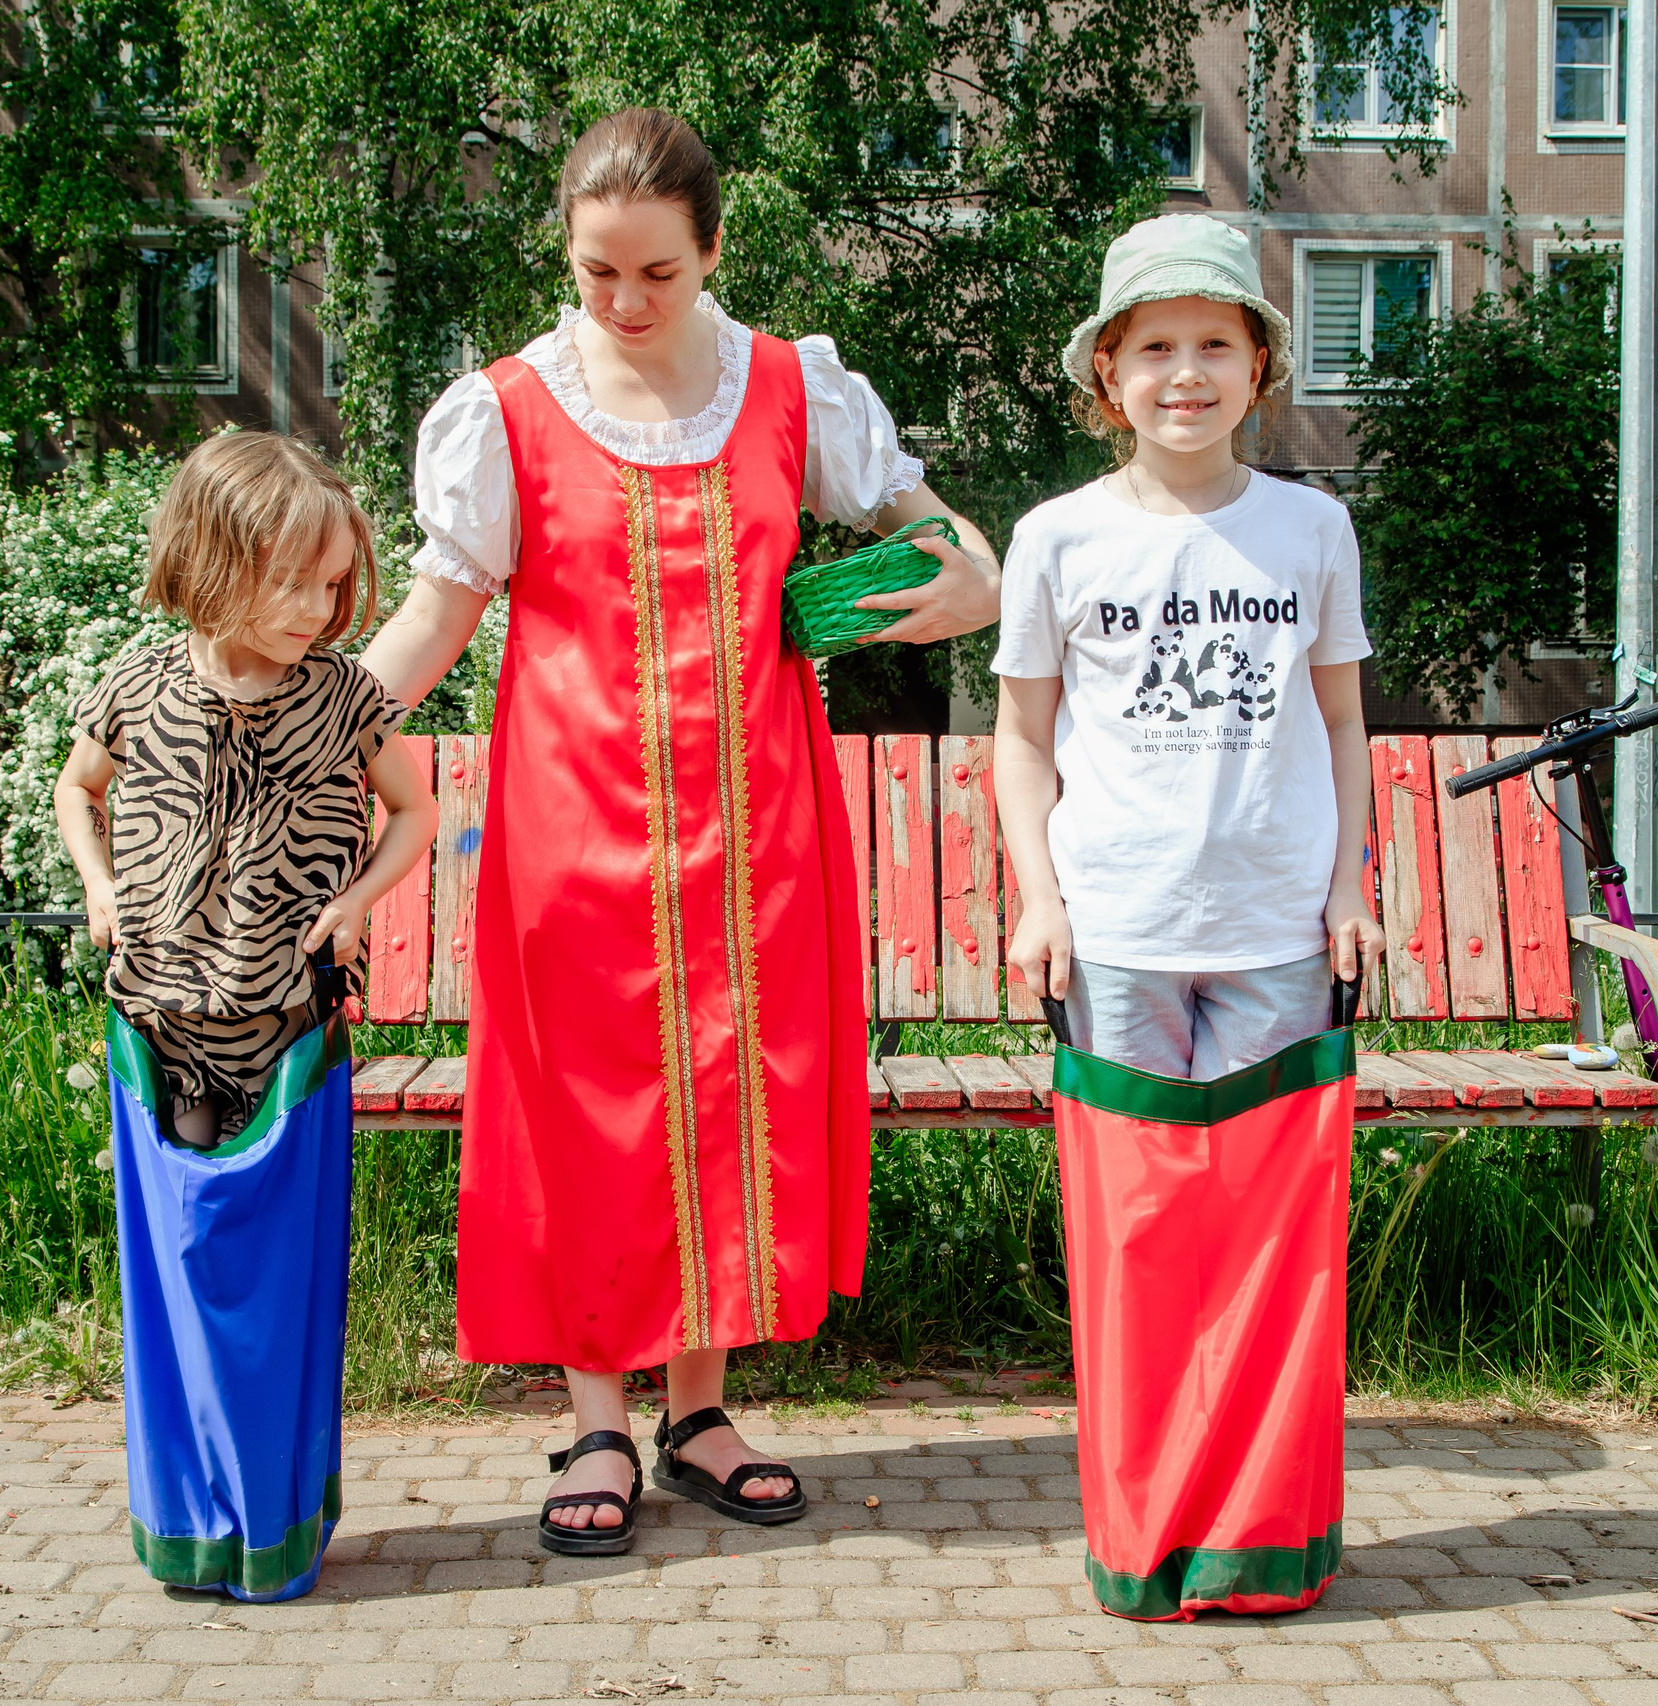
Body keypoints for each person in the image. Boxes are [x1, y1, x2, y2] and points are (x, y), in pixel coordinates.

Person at [359, 107, 1001, 1556]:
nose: (627, 302)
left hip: (758, 819)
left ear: (714, 250)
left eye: (657, 271)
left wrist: (978, 576)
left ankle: (698, 1409)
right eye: (598, 273)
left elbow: (947, 541)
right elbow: (441, 612)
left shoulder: (791, 388)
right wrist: (314, 727)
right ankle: (596, 1413)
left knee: (729, 1090)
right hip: (569, 819)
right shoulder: (509, 406)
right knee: (590, 1107)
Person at [991, 212, 1380, 1618]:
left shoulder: (1311, 528)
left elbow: (1342, 722)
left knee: (1271, 1253)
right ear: (1109, 375)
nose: (1186, 374)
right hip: (1121, 942)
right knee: (1143, 1248)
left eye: (1215, 342)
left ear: (1260, 366)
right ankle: (1152, 1536)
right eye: (1155, 347)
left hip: (1276, 936)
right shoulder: (1058, 538)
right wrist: (1039, 902)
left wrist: (1347, 886)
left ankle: (1259, 1543)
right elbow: (1023, 738)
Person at [54, 430, 437, 1602]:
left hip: (285, 1034)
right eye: (299, 582)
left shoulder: (345, 697)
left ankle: (269, 1520)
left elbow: (417, 812)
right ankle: (186, 1519)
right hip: (158, 1030)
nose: (324, 608)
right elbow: (78, 786)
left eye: (337, 585)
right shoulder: (137, 682)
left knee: (272, 1288)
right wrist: (100, 884)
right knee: (176, 1274)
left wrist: (359, 902)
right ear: (214, 560)